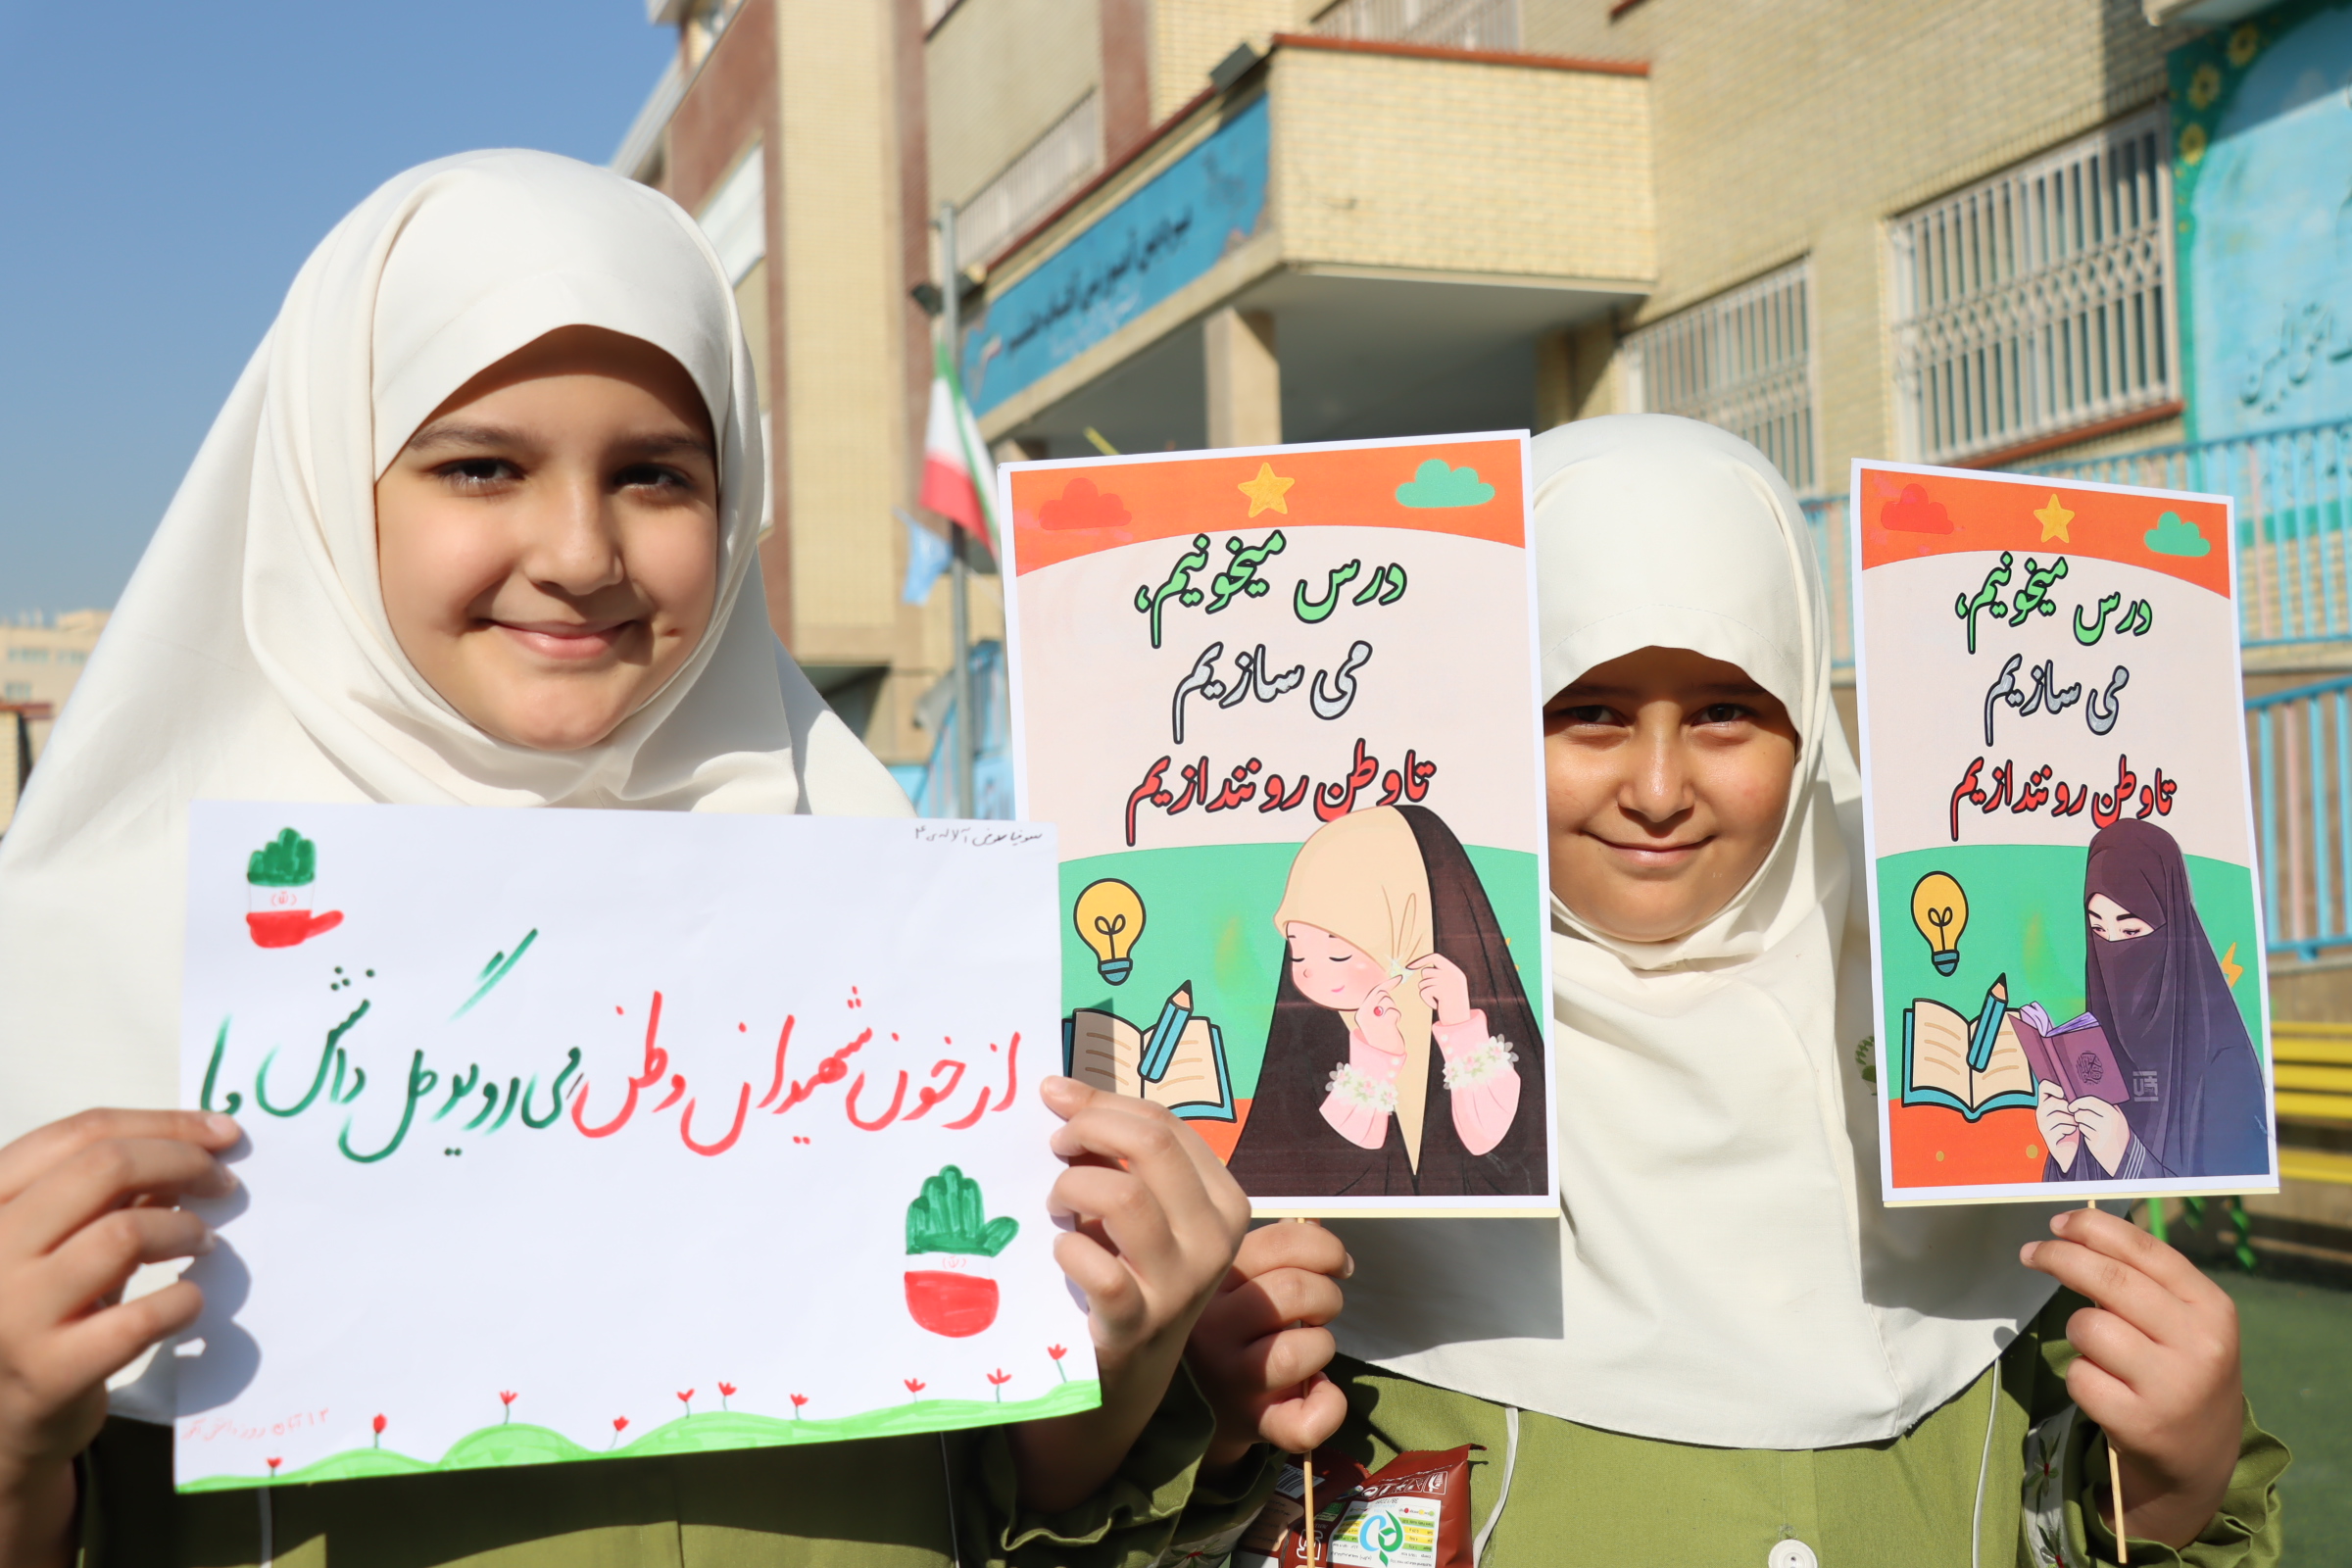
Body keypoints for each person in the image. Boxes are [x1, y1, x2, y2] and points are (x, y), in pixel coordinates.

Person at [0, 151, 1283, 1568]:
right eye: (480, 465)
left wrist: (1121, 1374)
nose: (578, 551)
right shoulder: (90, 985)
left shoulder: (898, 931)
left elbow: (999, 1507)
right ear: (328, 487)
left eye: (655, 475)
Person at [1298, 416, 2284, 1565]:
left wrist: (2178, 1486)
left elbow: (2060, 1512)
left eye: (1726, 710)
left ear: (1807, 717)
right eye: (1586, 709)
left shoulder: (1962, 1084)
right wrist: (1209, 1423)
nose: (1656, 788)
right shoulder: (1358, 1094)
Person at [1224, 806, 1546, 1200]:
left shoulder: (1462, 1007)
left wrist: (1459, 1027)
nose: (1312, 973)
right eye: (1298, 952)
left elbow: (1495, 1147)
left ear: (1410, 930)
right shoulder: (1308, 1040)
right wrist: (1375, 1056)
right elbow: (1308, 1166)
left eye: (1339, 952)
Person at [2039, 819, 2271, 1183]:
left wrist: (2127, 1158)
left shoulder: (2222, 1062)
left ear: (2171, 929)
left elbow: (2226, 1198)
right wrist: (2069, 1157)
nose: (2112, 948)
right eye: (2098, 929)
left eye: (2131, 930)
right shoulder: (2098, 1048)